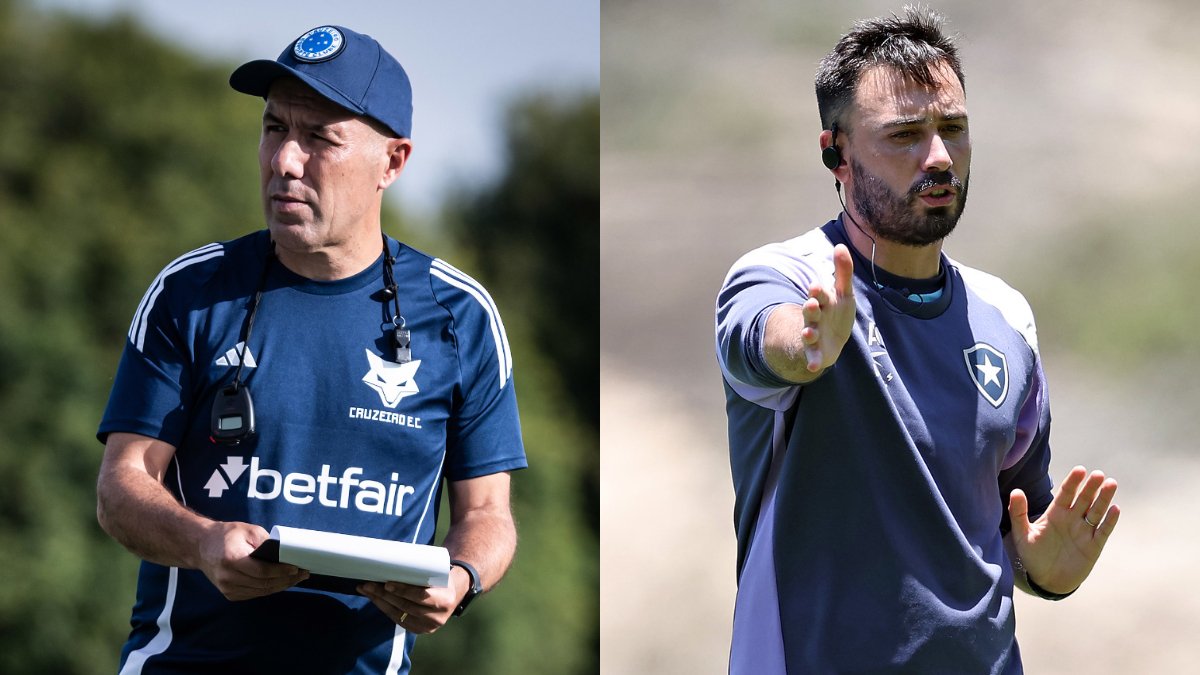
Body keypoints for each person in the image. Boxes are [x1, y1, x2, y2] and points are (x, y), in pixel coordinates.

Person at [95, 25, 527, 674]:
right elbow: (121, 485)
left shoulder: (461, 316)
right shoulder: (189, 292)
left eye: (320, 137)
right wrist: (205, 541)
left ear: (394, 161)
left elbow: (489, 513)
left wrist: (459, 578)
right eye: (274, 129)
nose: (285, 161)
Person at [714, 7, 1120, 673]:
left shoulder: (1005, 315)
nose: (938, 157)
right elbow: (765, 337)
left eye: (952, 130)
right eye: (904, 135)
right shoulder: (785, 277)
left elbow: (1019, 520)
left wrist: (1046, 567)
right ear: (835, 152)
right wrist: (809, 343)